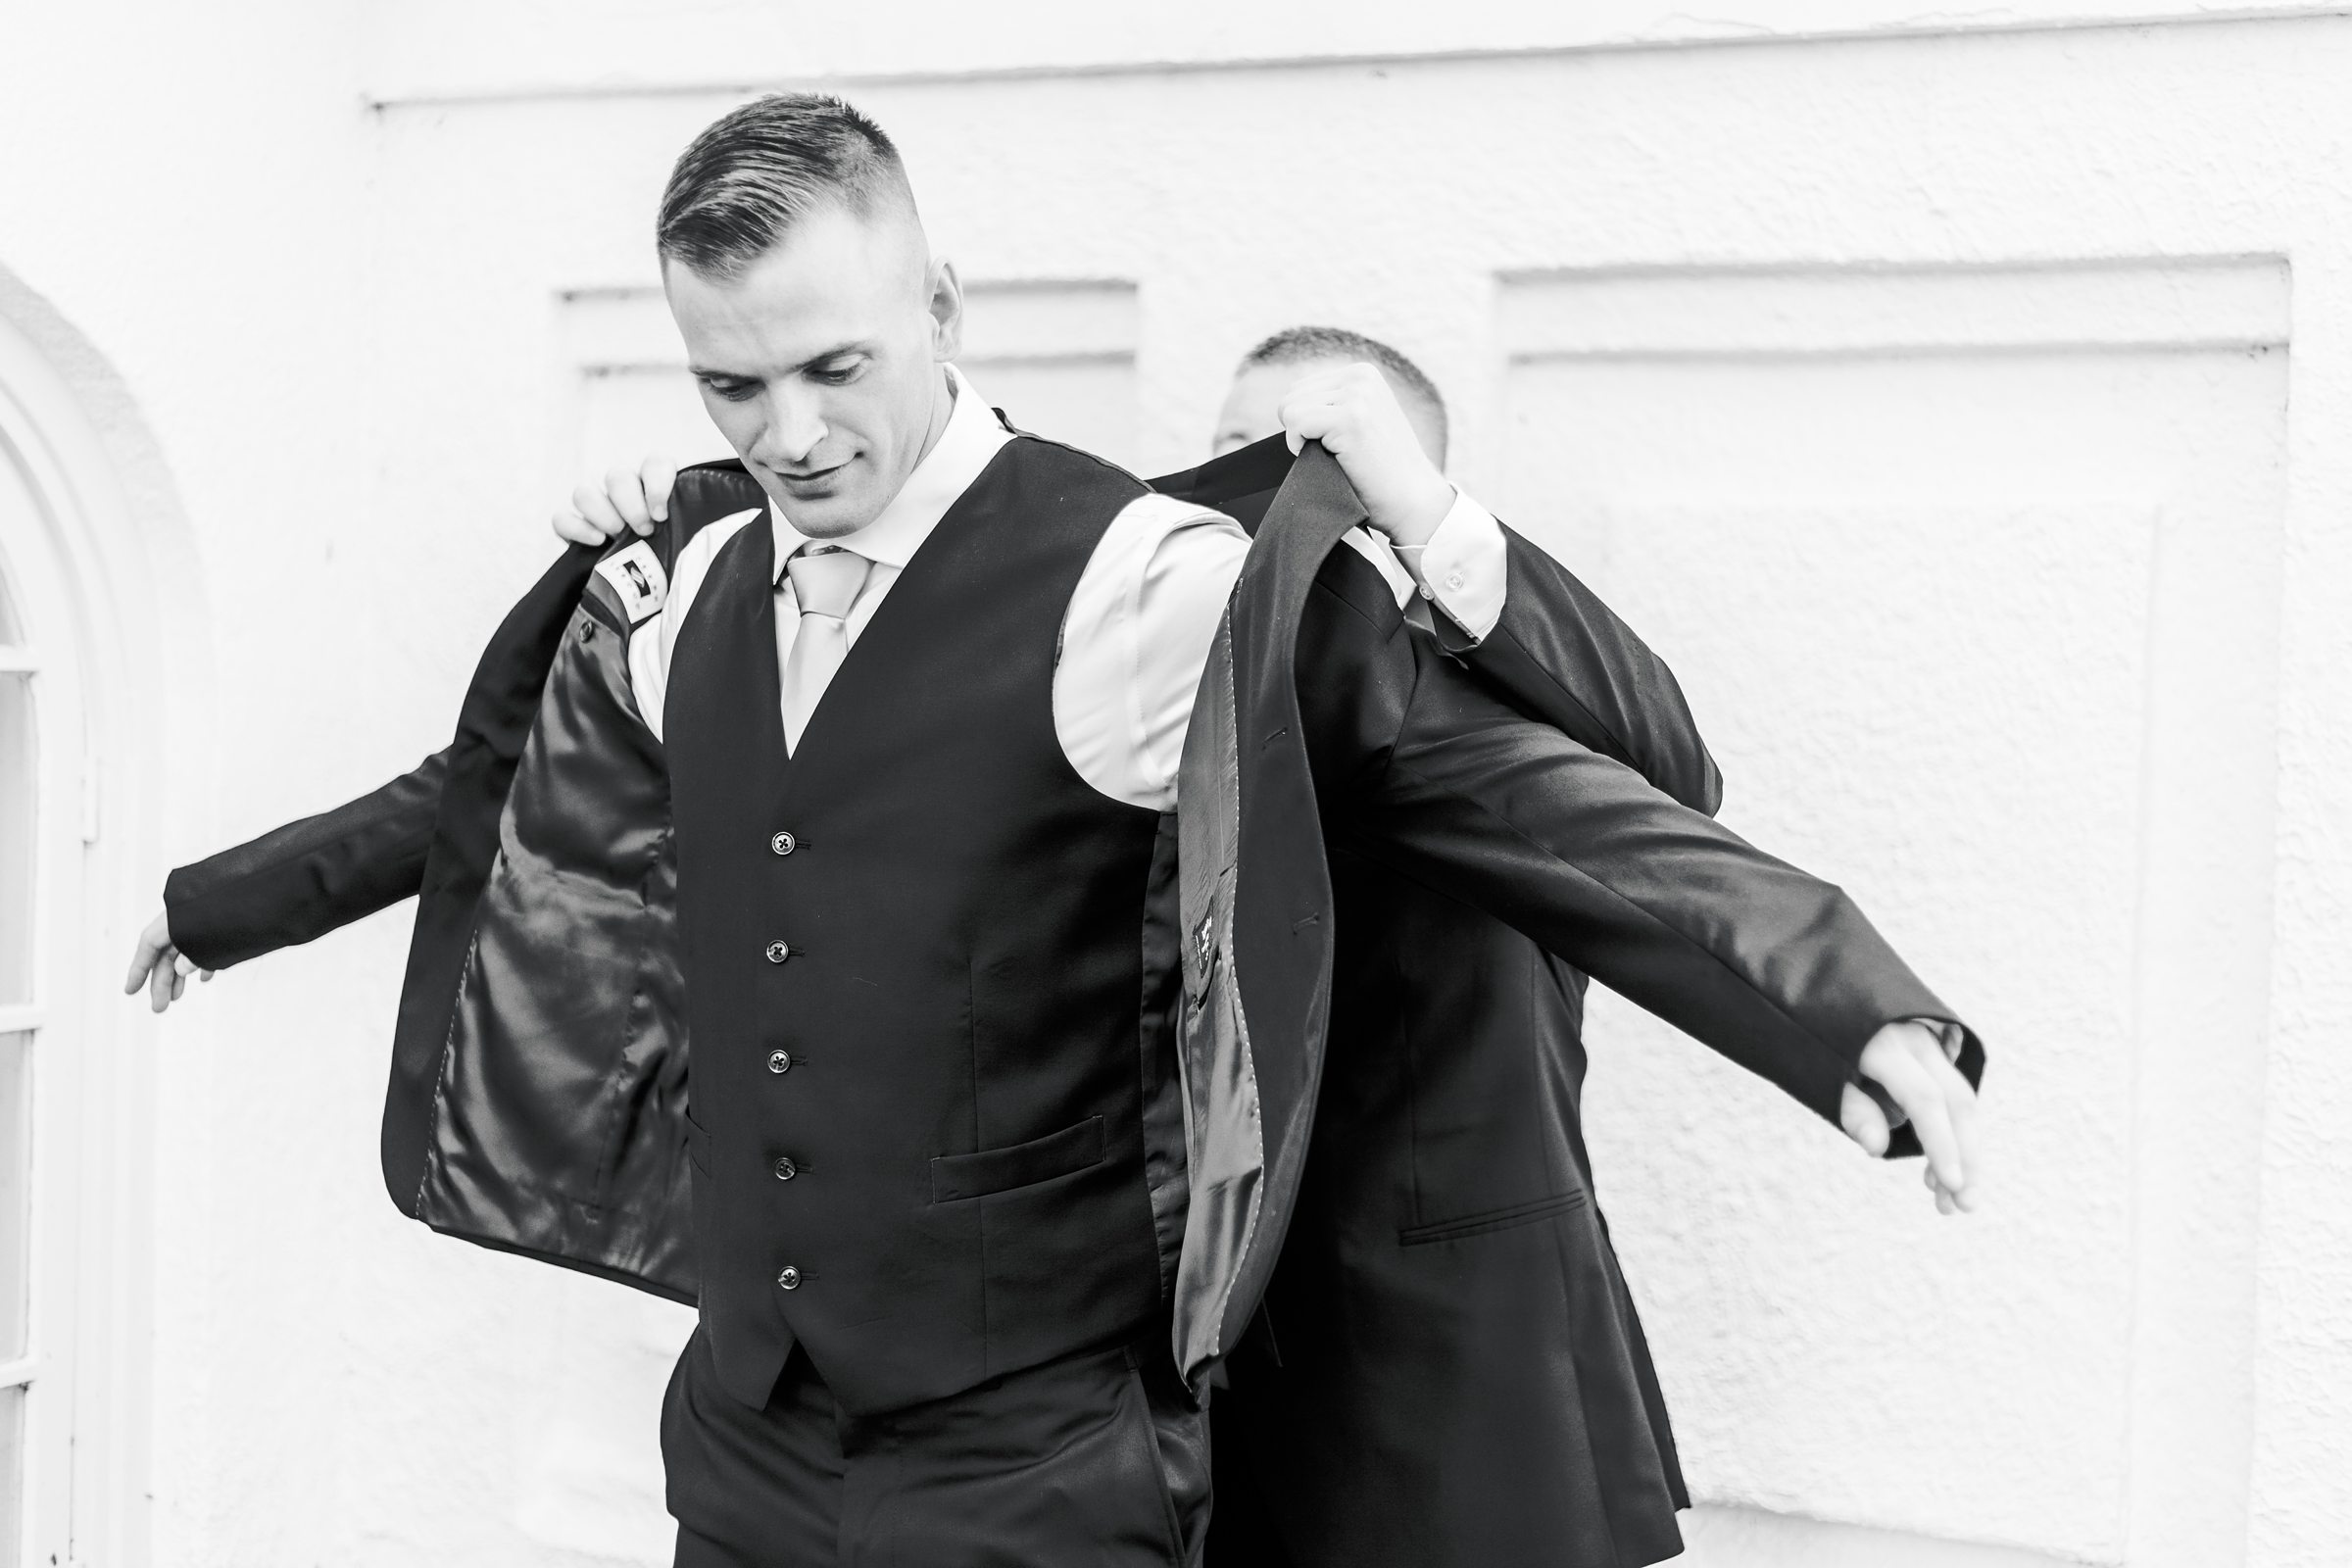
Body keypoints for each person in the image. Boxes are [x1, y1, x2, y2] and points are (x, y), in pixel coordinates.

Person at [126, 94, 1984, 1568]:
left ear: (942, 308)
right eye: (731, 384)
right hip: (747, 1446)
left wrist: (1840, 999)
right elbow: (493, 806)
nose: (789, 430)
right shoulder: (690, 585)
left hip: (1032, 1472)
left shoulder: (1142, 581)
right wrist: (224, 907)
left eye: (837, 367)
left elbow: (1504, 782)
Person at [561, 326, 1972, 1566]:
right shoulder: (1153, 659)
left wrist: (1845, 1009)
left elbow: (1664, 777)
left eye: (1312, 451)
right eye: (1236, 450)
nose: (1266, 483)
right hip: (1204, 1374)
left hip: (1450, 1376)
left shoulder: (1476, 668)